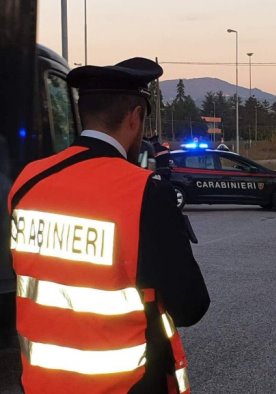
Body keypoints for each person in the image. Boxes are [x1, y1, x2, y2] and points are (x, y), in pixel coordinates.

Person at [8, 58, 209, 393]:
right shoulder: (145, 192)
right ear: (135, 118)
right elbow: (190, 306)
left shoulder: (28, 181)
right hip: (122, 385)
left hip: (40, 383)